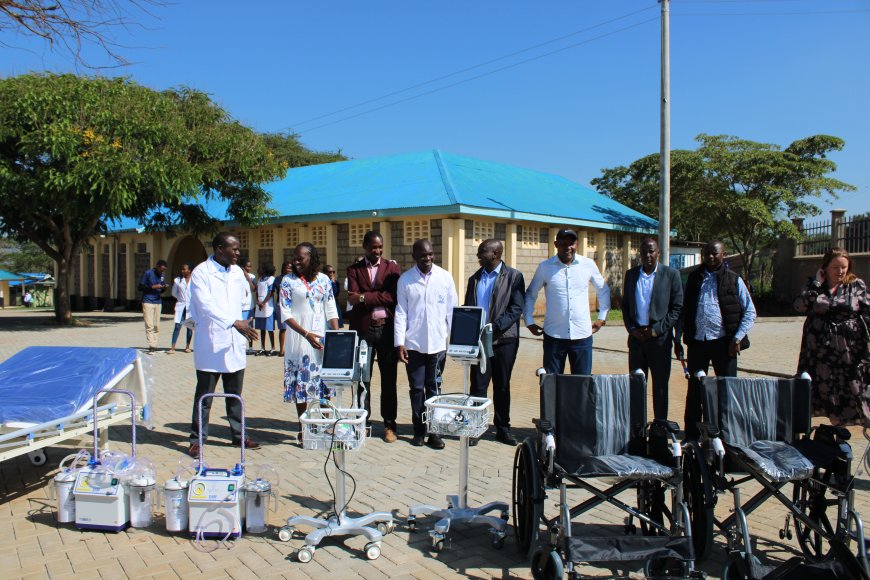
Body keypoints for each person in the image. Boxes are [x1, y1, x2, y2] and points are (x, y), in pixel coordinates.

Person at [187, 233, 261, 458]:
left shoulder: (238, 272)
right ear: (220, 249)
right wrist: (233, 322)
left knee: (234, 395)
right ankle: (196, 440)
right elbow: (205, 305)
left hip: (234, 340)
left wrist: (242, 322)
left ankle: (238, 436)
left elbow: (244, 300)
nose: (238, 253)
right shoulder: (201, 273)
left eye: (238, 249)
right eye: (234, 249)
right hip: (211, 342)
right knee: (205, 396)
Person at [680, 239, 756, 439]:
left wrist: (737, 338)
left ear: (724, 254)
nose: (711, 257)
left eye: (715, 253)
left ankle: (729, 434)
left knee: (728, 390)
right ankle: (693, 435)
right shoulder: (695, 278)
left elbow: (750, 312)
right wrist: (679, 337)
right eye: (707, 254)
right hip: (698, 343)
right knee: (695, 390)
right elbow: (685, 309)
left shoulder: (733, 279)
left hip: (725, 344)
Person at [795, 247, 870, 427]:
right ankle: (833, 433)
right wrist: (816, 285)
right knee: (824, 389)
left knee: (850, 389)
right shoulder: (813, 285)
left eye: (844, 267)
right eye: (836, 267)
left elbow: (867, 311)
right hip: (818, 353)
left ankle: (843, 430)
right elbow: (800, 306)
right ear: (825, 268)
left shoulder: (856, 285)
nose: (841, 271)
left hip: (848, 351)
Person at [394, 239, 458, 449]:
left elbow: (452, 310)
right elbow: (401, 313)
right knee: (416, 389)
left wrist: (452, 338)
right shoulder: (406, 280)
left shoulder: (445, 277)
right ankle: (418, 431)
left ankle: (435, 432)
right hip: (413, 344)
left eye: (431, 254)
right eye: (423, 255)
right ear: (415, 257)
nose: (428, 258)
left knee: (435, 388)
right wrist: (399, 343)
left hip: (438, 345)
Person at [464, 239, 525, 446]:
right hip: (480, 341)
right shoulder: (474, 278)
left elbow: (516, 309)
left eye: (483, 252)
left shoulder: (514, 276)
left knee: (502, 385)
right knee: (478, 385)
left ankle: (502, 428)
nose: (478, 255)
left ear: (496, 253)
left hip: (504, 339)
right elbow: (469, 307)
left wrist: (495, 326)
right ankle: (475, 427)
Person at [524, 228, 610, 375]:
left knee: (582, 382)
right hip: (554, 337)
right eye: (563, 243)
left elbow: (603, 290)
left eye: (571, 243)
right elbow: (531, 293)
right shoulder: (545, 267)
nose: (568, 247)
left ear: (576, 245)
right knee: (552, 383)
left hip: (582, 336)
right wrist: (529, 320)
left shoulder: (588, 264)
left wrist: (602, 317)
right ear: (556, 244)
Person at [279, 242, 340, 441]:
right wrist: (306, 334)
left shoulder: (323, 279)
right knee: (301, 385)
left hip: (322, 338)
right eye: (294, 258)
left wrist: (337, 335)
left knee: (325, 382)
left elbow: (330, 308)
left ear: (311, 258)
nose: (296, 262)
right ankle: (304, 427)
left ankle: (327, 424)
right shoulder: (288, 282)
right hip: (300, 339)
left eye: (300, 258)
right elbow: (286, 314)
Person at [346, 231, 402, 443]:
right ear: (365, 246)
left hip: (386, 329)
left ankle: (389, 425)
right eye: (373, 247)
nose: (377, 251)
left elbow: (392, 296)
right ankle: (363, 423)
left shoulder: (392, 268)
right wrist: (375, 296)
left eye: (380, 247)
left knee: (389, 380)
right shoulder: (354, 269)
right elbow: (352, 296)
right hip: (364, 331)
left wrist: (363, 297)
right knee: (362, 379)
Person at [621, 238, 683, 420]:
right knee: (636, 386)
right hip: (637, 340)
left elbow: (677, 308)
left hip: (659, 341)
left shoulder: (671, 275)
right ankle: (637, 429)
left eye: (651, 251)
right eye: (644, 252)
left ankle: (660, 429)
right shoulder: (631, 275)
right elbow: (625, 306)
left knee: (660, 388)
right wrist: (632, 329)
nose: (647, 255)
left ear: (658, 253)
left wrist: (656, 329)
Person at [139, 259, 168, 353]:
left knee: (156, 325)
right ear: (157, 266)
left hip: (158, 301)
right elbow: (140, 287)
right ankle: (151, 345)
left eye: (164, 270)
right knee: (149, 325)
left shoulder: (162, 276)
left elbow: (161, 289)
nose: (162, 272)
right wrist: (152, 287)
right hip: (148, 301)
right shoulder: (148, 273)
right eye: (161, 270)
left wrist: (164, 288)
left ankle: (155, 344)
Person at [168, 263, 193, 354]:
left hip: (190, 307)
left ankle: (187, 346)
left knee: (189, 327)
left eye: (184, 269)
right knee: (177, 326)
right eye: (182, 269)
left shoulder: (195, 280)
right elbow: (174, 293)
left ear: (189, 270)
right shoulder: (178, 280)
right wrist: (181, 299)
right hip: (181, 305)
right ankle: (173, 347)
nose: (182, 271)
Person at [254, 263, 277, 355]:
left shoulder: (271, 279)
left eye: (261, 268)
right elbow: (257, 292)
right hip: (260, 305)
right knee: (262, 328)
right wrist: (258, 302)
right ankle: (262, 348)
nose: (259, 270)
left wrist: (263, 303)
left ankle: (273, 348)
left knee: (269, 328)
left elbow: (271, 293)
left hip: (267, 306)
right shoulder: (259, 279)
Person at [273, 260, 292, 357]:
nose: (290, 269)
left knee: (292, 329)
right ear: (283, 268)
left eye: (291, 268)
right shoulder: (277, 279)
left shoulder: (294, 279)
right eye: (288, 267)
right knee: (283, 329)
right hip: (280, 305)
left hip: (292, 306)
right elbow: (273, 292)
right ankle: (281, 350)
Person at [240, 258, 256, 355]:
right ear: (243, 267)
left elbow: (254, 289)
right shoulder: (238, 276)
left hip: (250, 306)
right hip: (241, 307)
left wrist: (248, 278)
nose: (249, 268)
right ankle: (241, 347)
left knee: (250, 328)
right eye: (247, 266)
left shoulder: (252, 276)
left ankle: (250, 347)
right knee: (241, 328)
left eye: (250, 266)